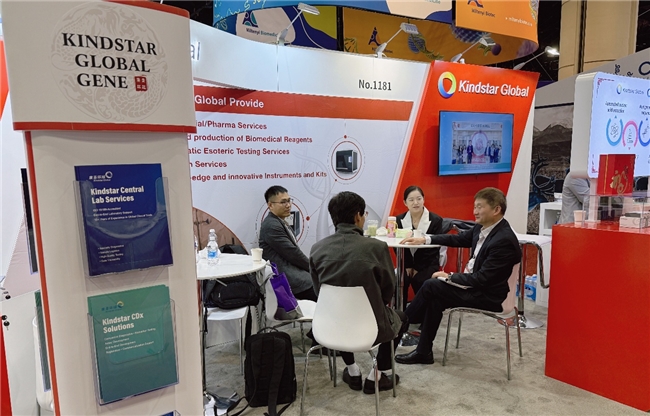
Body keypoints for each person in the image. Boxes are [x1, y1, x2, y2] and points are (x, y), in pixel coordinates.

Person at [395, 187, 521, 365]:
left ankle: (399, 325)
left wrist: (450, 277)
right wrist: (426, 239)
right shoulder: (483, 228)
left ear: (496, 209)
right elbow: (457, 239)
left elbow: (482, 279)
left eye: (479, 207)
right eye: (474, 207)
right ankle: (423, 351)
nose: (474, 211)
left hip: (489, 296)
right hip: (475, 287)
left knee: (432, 285)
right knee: (435, 297)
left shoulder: (503, 240)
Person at [310, 191, 409, 394]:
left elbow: (318, 290)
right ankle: (376, 376)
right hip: (371, 326)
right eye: (364, 215)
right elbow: (388, 290)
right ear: (358, 216)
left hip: (330, 325)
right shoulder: (377, 248)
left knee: (341, 313)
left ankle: (352, 371)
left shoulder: (317, 249)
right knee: (401, 317)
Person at [259, 185, 316, 301]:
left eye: (289, 201)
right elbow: (293, 254)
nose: (288, 205)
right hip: (288, 278)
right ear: (270, 205)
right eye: (283, 202)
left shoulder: (280, 221)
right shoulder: (271, 225)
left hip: (294, 272)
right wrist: (314, 269)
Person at [395, 185, 443, 307]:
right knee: (400, 279)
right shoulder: (399, 220)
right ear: (405, 202)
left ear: (423, 200)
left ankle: (422, 312)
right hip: (406, 263)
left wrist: (417, 267)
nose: (415, 203)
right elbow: (397, 244)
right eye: (411, 200)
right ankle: (400, 311)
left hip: (428, 263)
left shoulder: (436, 220)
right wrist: (408, 265)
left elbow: (434, 247)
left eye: (419, 199)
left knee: (420, 280)